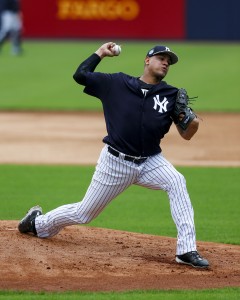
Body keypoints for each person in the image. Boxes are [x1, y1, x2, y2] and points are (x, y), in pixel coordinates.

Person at [18, 42, 209, 268]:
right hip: (115, 162)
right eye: (161, 57)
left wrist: (193, 123)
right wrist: (100, 53)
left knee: (177, 181)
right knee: (84, 213)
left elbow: (186, 134)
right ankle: (38, 224)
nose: (166, 62)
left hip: (151, 161)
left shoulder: (171, 94)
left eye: (169, 60)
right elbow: (80, 75)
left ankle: (186, 250)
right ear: (147, 60)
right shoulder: (117, 83)